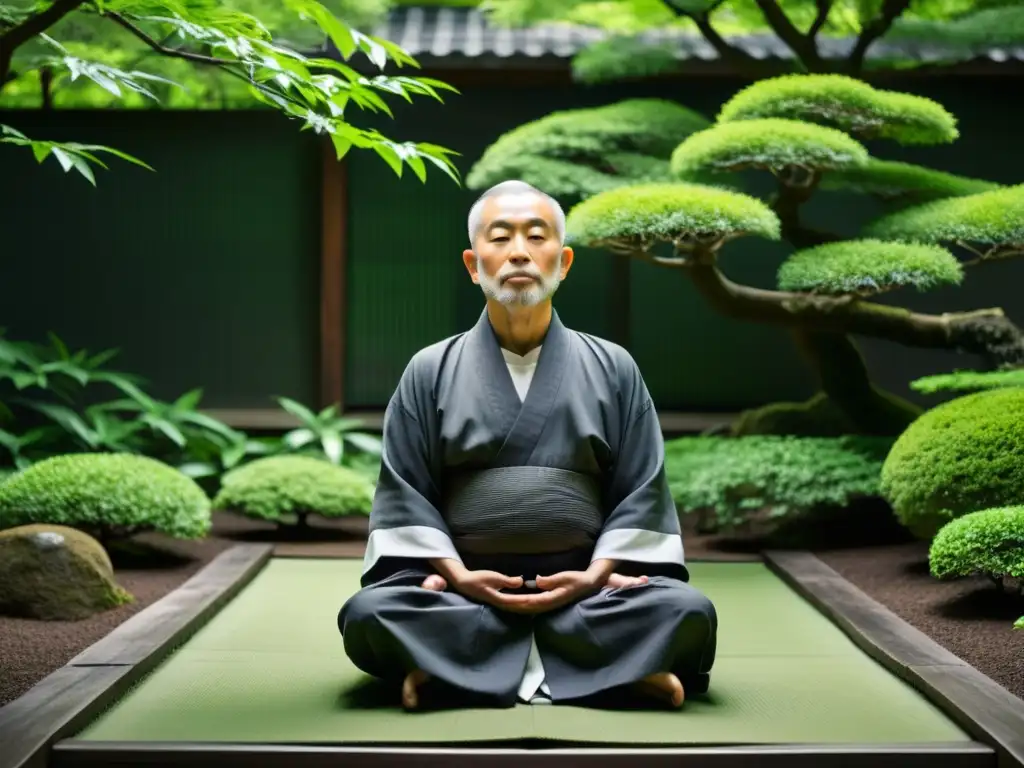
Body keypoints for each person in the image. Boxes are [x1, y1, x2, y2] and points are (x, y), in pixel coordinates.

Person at [337, 179, 717, 711]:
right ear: (474, 264)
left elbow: (640, 492)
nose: (518, 251)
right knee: (369, 613)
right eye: (500, 237)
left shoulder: (614, 368)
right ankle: (613, 672)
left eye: (536, 236)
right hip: (462, 591)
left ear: (562, 262)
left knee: (686, 609)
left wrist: (595, 577)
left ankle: (453, 671)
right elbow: (406, 495)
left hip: (590, 590)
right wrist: (458, 577)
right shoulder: (428, 370)